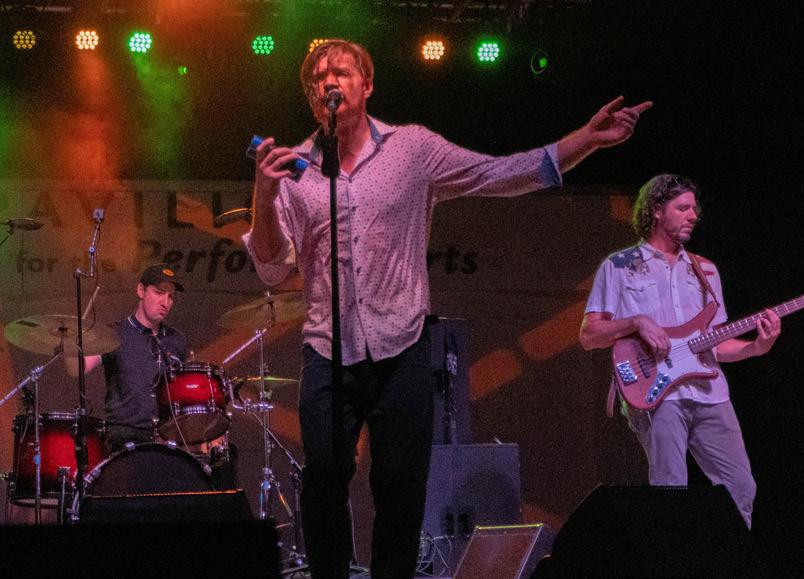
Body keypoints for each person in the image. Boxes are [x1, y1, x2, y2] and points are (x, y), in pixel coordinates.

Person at [244, 39, 652, 579]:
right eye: (318, 78)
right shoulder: (297, 171)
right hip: (328, 348)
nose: (329, 82)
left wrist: (585, 140)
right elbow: (272, 268)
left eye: (340, 71)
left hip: (402, 345)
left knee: (400, 485)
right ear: (311, 98)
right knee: (323, 480)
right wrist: (263, 193)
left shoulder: (411, 149)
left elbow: (497, 173)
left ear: (367, 85)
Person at [579, 174, 781, 528]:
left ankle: (727, 555)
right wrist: (636, 322)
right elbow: (589, 335)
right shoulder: (619, 266)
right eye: (683, 208)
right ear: (657, 210)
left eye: (694, 209)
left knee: (740, 487)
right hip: (657, 392)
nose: (693, 216)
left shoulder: (706, 271)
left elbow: (716, 343)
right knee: (671, 490)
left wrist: (756, 347)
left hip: (710, 393)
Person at [70, 263, 189, 451]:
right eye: (159, 292)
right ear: (141, 290)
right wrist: (69, 340)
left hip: (167, 439)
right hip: (124, 438)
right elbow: (77, 368)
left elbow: (187, 394)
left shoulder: (176, 340)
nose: (165, 302)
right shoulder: (113, 334)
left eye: (171, 296)